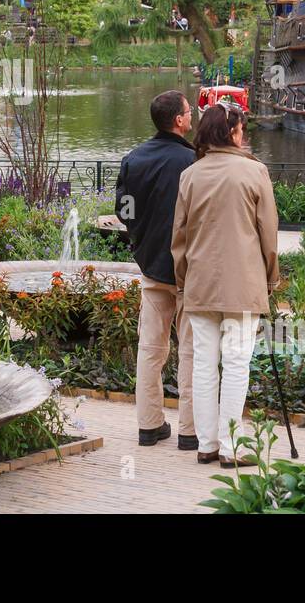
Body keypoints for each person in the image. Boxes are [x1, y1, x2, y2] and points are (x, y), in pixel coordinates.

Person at [171, 101, 280, 468]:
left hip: (201, 281)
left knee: (204, 364)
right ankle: (233, 448)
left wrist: (183, 279)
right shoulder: (255, 172)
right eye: (241, 128)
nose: (244, 134)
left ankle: (207, 445)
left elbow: (180, 238)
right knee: (235, 364)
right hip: (243, 283)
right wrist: (271, 276)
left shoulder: (191, 175)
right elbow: (269, 234)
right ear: (231, 131)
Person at [115, 90, 197, 448]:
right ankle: (190, 432)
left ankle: (149, 426)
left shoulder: (134, 160)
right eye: (189, 111)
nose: (192, 115)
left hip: (151, 266)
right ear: (178, 120)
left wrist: (142, 238)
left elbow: (125, 211)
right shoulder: (193, 161)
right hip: (188, 269)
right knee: (192, 350)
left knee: (150, 349)